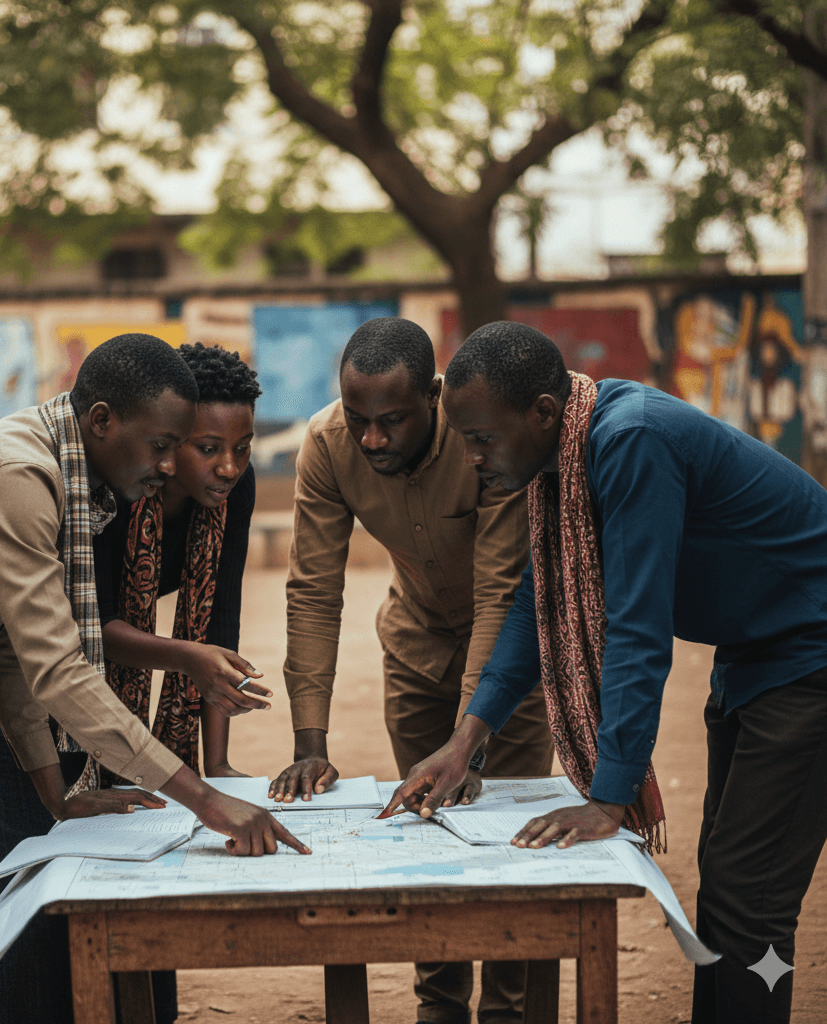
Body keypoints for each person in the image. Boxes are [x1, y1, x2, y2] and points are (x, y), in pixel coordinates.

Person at [0, 333, 306, 1024]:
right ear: (101, 421)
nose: (168, 464)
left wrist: (57, 794)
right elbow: (59, 668)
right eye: (162, 444)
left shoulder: (71, 481)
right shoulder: (17, 476)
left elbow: (6, 645)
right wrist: (205, 801)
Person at [383, 321, 827, 1024]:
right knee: (729, 886)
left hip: (811, 660)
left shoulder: (630, 440)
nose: (469, 459)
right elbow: (541, 602)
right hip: (756, 658)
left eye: (481, 439)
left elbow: (637, 627)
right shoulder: (565, 459)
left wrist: (609, 795)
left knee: (751, 897)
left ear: (544, 414)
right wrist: (465, 742)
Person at [0, 341, 264, 1024]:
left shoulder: (223, 494)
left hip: (91, 669)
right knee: (34, 861)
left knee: (138, 849)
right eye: (204, 446)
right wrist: (185, 666)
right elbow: (73, 636)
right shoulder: (112, 483)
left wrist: (216, 763)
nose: (229, 467)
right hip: (16, 663)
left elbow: (217, 629)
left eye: (242, 448)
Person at [270, 317, 554, 1024]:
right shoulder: (326, 445)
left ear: (431, 396)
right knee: (427, 830)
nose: (372, 439)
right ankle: (440, 1005)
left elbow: (499, 591)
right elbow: (312, 587)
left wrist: (469, 738)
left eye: (391, 421)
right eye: (359, 419)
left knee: (508, 848)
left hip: (509, 666)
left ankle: (507, 1011)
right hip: (415, 652)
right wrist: (311, 742)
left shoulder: (481, 439)